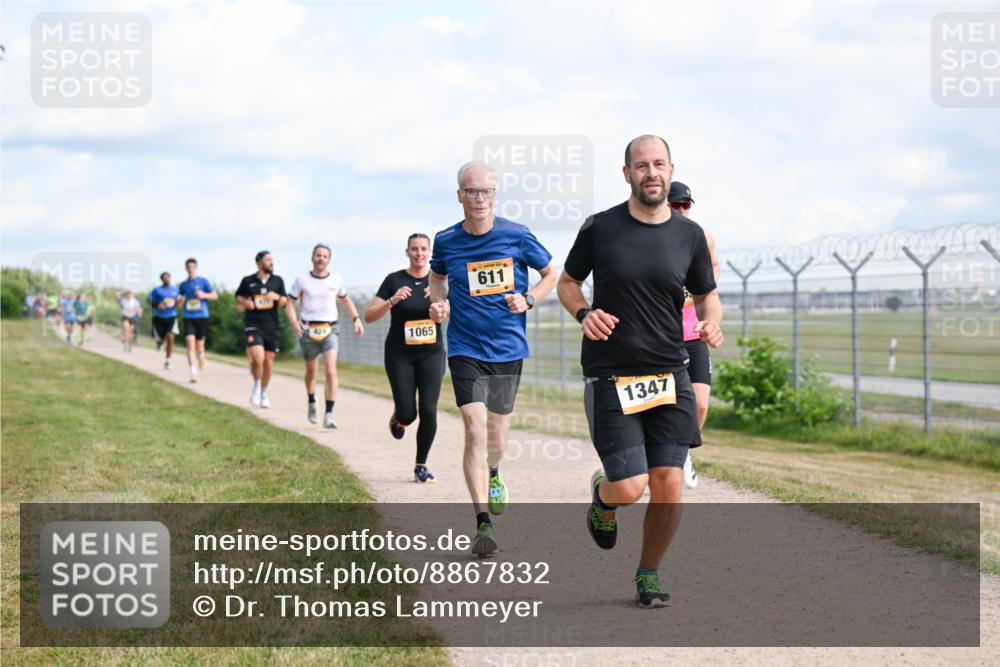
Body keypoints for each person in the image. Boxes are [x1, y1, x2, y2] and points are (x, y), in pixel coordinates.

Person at [557, 135, 723, 608]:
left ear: (671, 170)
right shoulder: (600, 228)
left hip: (671, 372)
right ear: (626, 173)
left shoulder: (688, 235)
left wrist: (712, 321)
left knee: (669, 481)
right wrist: (583, 312)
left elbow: (707, 292)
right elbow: (568, 283)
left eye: (659, 164)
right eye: (641, 165)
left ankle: (648, 573)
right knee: (630, 487)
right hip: (612, 374)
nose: (651, 173)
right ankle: (603, 500)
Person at [429, 161, 557, 557]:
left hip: (507, 348)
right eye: (471, 191)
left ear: (495, 195)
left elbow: (553, 273)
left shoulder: (517, 236)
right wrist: (439, 303)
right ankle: (482, 521)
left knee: (497, 436)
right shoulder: (446, 240)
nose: (479, 199)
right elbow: (437, 279)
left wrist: (529, 298)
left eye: (486, 191)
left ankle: (495, 471)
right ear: (459, 196)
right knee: (473, 428)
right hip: (465, 347)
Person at [365, 233, 445, 483]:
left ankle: (421, 465)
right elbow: (369, 315)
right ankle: (399, 417)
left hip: (431, 353)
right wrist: (392, 300)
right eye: (414, 249)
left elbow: (447, 309)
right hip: (400, 354)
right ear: (407, 252)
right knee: (409, 413)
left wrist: (438, 308)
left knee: (429, 410)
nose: (419, 253)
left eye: (423, 249)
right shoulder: (394, 280)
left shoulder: (439, 280)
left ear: (430, 252)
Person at [668, 181, 721, 490]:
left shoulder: (703, 236)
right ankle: (663, 456)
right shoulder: (653, 239)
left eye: (686, 205)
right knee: (665, 402)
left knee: (700, 404)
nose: (682, 210)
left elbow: (712, 269)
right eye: (676, 205)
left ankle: (684, 453)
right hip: (661, 336)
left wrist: (705, 288)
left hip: (693, 332)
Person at [285, 243, 364, 428]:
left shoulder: (336, 280)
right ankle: (312, 400)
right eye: (318, 255)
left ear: (329, 260)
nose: (321, 258)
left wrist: (356, 319)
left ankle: (329, 414)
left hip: (330, 329)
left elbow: (346, 300)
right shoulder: (302, 280)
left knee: (330, 370)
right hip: (308, 329)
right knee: (312, 371)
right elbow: (290, 302)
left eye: (325, 256)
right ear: (312, 258)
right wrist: (294, 322)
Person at [236, 251, 288, 409]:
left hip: (272, 326)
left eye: (272, 260)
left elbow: (285, 302)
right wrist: (246, 303)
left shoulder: (278, 281)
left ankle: (264, 393)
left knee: (268, 361)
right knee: (258, 358)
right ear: (259, 263)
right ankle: (257, 386)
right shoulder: (248, 281)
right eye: (268, 260)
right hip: (253, 324)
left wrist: (278, 298)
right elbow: (238, 297)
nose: (272, 263)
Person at [177, 258, 218, 383]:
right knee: (190, 344)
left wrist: (204, 295)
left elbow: (215, 296)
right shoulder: (183, 285)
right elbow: (179, 304)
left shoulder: (203, 281)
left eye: (192, 267)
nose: (190, 269)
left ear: (196, 268)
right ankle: (193, 373)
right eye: (188, 267)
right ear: (186, 268)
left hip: (202, 316)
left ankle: (201, 356)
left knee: (200, 345)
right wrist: (180, 300)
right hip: (188, 316)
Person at [150, 272, 180, 370]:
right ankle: (159, 343)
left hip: (171, 317)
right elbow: (149, 300)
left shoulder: (176, 290)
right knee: (160, 340)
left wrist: (178, 302)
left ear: (170, 278)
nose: (167, 279)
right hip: (159, 317)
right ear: (161, 279)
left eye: (168, 277)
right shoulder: (157, 290)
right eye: (164, 277)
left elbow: (179, 302)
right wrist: (157, 305)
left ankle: (168, 361)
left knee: (170, 337)